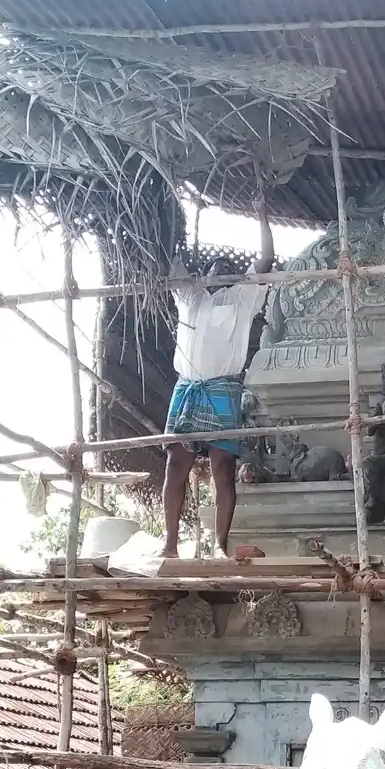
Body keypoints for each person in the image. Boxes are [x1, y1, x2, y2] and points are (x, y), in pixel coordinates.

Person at [162, 196, 274, 559]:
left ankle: (221, 547)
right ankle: (170, 544)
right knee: (176, 464)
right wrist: (168, 214)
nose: (219, 269)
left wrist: (260, 216)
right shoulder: (190, 297)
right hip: (187, 389)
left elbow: (265, 261)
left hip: (223, 387)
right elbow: (168, 260)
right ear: (203, 274)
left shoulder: (241, 297)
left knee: (223, 470)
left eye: (227, 266)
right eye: (214, 266)